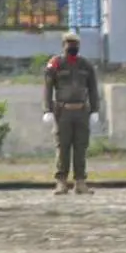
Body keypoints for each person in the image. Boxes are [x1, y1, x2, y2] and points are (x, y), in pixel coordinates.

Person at [42, 31, 100, 195]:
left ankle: (80, 182)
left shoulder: (86, 65)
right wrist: (48, 109)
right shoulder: (56, 64)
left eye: (75, 44)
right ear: (63, 45)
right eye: (69, 44)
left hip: (82, 111)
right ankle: (61, 182)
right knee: (63, 147)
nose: (72, 47)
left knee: (81, 147)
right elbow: (47, 88)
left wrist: (95, 110)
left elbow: (93, 89)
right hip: (63, 112)